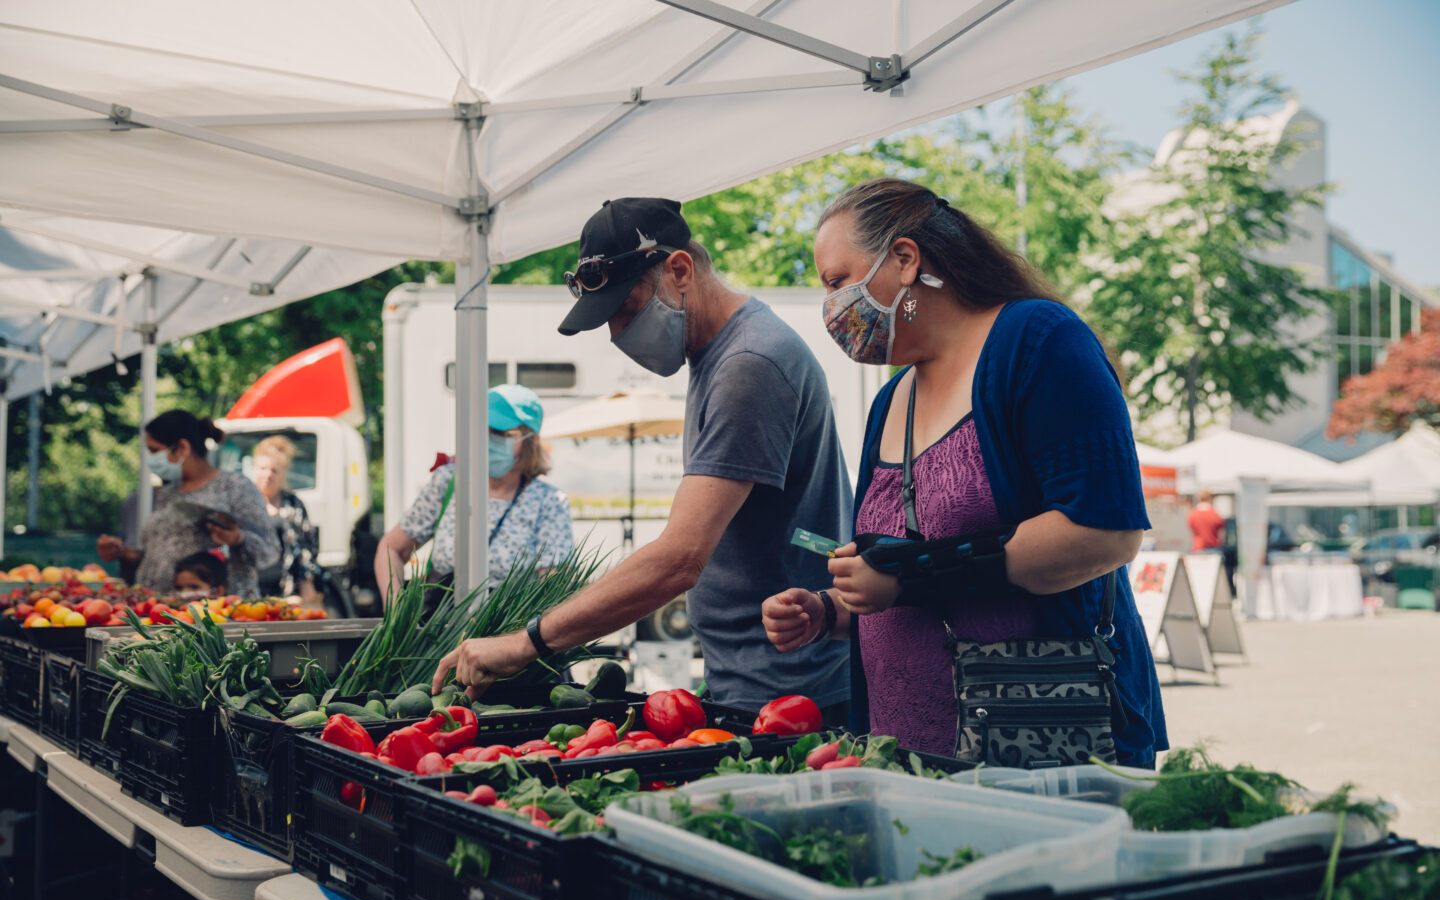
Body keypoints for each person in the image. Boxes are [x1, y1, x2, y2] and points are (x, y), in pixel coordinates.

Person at [759, 178, 1167, 767]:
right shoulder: (893, 397)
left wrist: (908, 579)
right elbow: (909, 576)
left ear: (904, 259)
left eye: (837, 281)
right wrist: (832, 610)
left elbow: (1104, 532)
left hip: (1039, 757)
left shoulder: (1038, 341)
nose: (832, 308)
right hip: (904, 760)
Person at [432, 198, 853, 718]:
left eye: (625, 311)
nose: (618, 336)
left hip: (790, 693)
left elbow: (679, 560)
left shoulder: (749, 365)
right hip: (757, 677)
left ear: (680, 270)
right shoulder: (721, 354)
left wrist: (526, 642)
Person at [375, 384, 574, 604]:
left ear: (531, 441)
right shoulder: (449, 482)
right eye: (483, 430)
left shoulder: (549, 502)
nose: (489, 440)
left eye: (501, 433)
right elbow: (391, 548)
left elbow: (552, 587)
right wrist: (396, 613)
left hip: (506, 635)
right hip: (440, 632)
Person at [97, 410, 279, 597]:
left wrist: (237, 538)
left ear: (182, 447)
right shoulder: (169, 493)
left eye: (154, 450)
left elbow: (269, 551)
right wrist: (123, 552)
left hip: (217, 615)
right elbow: (160, 556)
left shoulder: (234, 487)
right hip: (162, 611)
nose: (150, 459)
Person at [251, 435, 322, 603]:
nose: (268, 474)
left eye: (274, 470)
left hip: (288, 591)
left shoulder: (293, 504)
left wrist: (307, 582)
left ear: (283, 473)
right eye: (263, 468)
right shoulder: (246, 503)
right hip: (250, 589)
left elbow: (308, 548)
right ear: (254, 469)